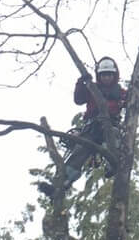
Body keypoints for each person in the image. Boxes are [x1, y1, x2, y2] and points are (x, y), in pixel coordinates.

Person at [38, 56, 128, 199]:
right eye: (104, 75)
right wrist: (82, 82)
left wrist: (133, 101)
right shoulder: (92, 88)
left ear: (114, 75)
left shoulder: (121, 93)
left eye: (109, 75)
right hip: (91, 128)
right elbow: (78, 99)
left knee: (114, 135)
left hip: (110, 126)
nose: (106, 78)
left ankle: (112, 164)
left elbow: (130, 104)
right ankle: (60, 185)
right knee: (79, 152)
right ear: (99, 75)